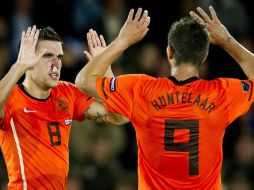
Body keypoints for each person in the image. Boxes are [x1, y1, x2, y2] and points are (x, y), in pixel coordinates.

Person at [75, 6, 254, 189]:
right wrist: (227, 41)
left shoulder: (142, 89)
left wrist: (121, 42)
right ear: (204, 57)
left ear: (169, 52)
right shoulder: (221, 94)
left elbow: (83, 80)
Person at [0, 25, 128, 190]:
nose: (56, 64)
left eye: (59, 57)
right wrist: (19, 65)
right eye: (48, 56)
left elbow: (120, 117)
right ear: (28, 59)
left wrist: (107, 72)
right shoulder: (11, 98)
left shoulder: (67, 93)